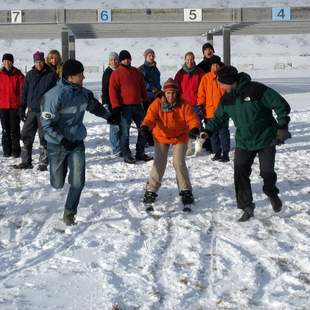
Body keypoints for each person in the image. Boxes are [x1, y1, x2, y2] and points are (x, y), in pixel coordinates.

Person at [202, 65, 291, 222]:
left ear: (228, 81)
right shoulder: (227, 99)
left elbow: (280, 104)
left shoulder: (256, 89)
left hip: (266, 138)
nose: (220, 87)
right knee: (240, 173)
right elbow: (218, 118)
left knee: (267, 172)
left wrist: (282, 126)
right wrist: (207, 131)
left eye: (221, 83)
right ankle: (246, 206)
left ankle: (270, 191)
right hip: (244, 141)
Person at [41, 59, 118, 226]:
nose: (84, 76)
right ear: (70, 77)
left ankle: (69, 213)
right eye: (80, 74)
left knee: (78, 182)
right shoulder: (54, 96)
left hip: (76, 142)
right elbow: (46, 125)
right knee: (57, 183)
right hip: (57, 144)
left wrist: (108, 116)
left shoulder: (84, 93)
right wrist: (61, 140)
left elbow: (94, 106)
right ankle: (61, 174)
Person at [141, 78, 200, 211]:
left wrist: (194, 128)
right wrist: (145, 126)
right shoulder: (157, 103)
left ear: (177, 93)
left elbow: (192, 118)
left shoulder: (183, 104)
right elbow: (150, 117)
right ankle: (151, 190)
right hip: (161, 136)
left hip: (180, 137)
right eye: (168, 93)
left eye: (173, 93)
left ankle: (185, 190)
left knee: (178, 162)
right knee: (159, 162)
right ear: (164, 93)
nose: (171, 96)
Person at [13, 51, 57, 171]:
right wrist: (22, 107)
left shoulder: (51, 75)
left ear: (44, 61)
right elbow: (24, 92)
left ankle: (43, 162)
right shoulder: (30, 75)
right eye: (37, 62)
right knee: (25, 135)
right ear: (34, 62)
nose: (39, 64)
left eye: (41, 61)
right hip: (32, 111)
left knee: (44, 137)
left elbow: (55, 94)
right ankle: (26, 161)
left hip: (45, 111)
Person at [109, 49, 152, 164]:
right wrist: (116, 106)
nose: (126, 61)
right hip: (124, 107)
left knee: (144, 129)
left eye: (128, 58)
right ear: (120, 60)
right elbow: (113, 91)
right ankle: (127, 154)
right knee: (125, 132)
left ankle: (140, 153)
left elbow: (142, 87)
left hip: (138, 105)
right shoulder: (116, 73)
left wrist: (146, 101)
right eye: (123, 59)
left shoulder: (136, 72)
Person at [197, 55, 230, 162]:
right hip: (209, 111)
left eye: (217, 65)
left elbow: (228, 92)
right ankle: (216, 152)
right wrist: (200, 105)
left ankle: (225, 153)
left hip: (223, 111)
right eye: (213, 65)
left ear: (220, 66)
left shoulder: (224, 78)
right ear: (210, 66)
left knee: (224, 132)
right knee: (212, 134)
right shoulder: (205, 78)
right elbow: (201, 93)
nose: (215, 67)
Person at [174, 51, 205, 155]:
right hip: (184, 104)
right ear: (185, 60)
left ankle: (199, 144)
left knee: (197, 124)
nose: (190, 62)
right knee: (185, 126)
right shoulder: (180, 73)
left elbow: (203, 87)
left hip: (196, 103)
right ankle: (189, 146)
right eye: (188, 59)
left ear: (194, 60)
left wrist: (201, 100)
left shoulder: (200, 72)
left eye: (191, 59)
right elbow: (176, 88)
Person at [0, 53, 24, 158]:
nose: (7, 63)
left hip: (15, 106)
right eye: (5, 61)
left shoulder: (18, 74)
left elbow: (22, 90)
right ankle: (6, 150)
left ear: (12, 62)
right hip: (3, 106)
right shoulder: (0, 74)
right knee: (5, 129)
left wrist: (21, 104)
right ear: (2, 62)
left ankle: (15, 151)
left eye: (9, 61)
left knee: (14, 129)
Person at [139, 48, 162, 147]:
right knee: (147, 118)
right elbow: (142, 82)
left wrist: (159, 90)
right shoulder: (142, 69)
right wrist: (152, 88)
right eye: (149, 55)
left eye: (153, 55)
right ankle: (147, 138)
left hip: (156, 97)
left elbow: (157, 81)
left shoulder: (155, 68)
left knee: (155, 117)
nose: (151, 57)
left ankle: (153, 136)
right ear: (145, 57)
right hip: (146, 97)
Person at [101, 51, 121, 156]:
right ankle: (115, 148)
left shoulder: (121, 70)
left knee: (122, 125)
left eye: (115, 59)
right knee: (114, 126)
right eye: (111, 60)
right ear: (109, 61)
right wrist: (105, 103)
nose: (113, 61)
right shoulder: (107, 73)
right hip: (111, 102)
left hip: (122, 102)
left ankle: (121, 146)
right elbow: (104, 90)